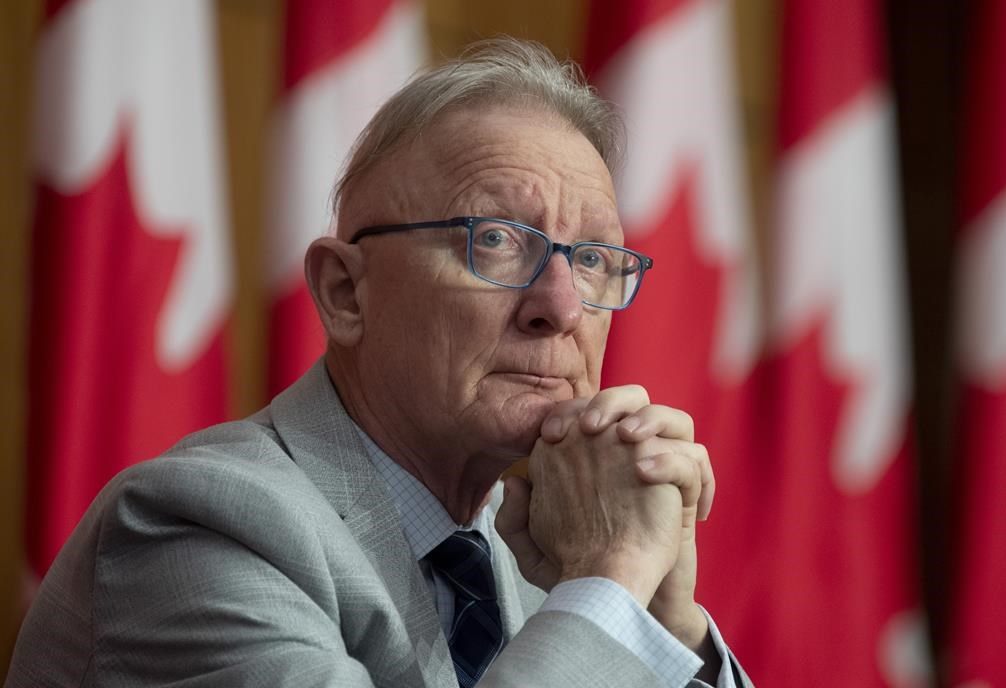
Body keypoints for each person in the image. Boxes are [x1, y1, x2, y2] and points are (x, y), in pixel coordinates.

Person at [7, 38, 752, 688]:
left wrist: (665, 618)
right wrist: (611, 582)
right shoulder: (198, 527)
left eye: (591, 259)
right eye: (496, 240)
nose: (559, 307)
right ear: (345, 293)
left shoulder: (543, 548)